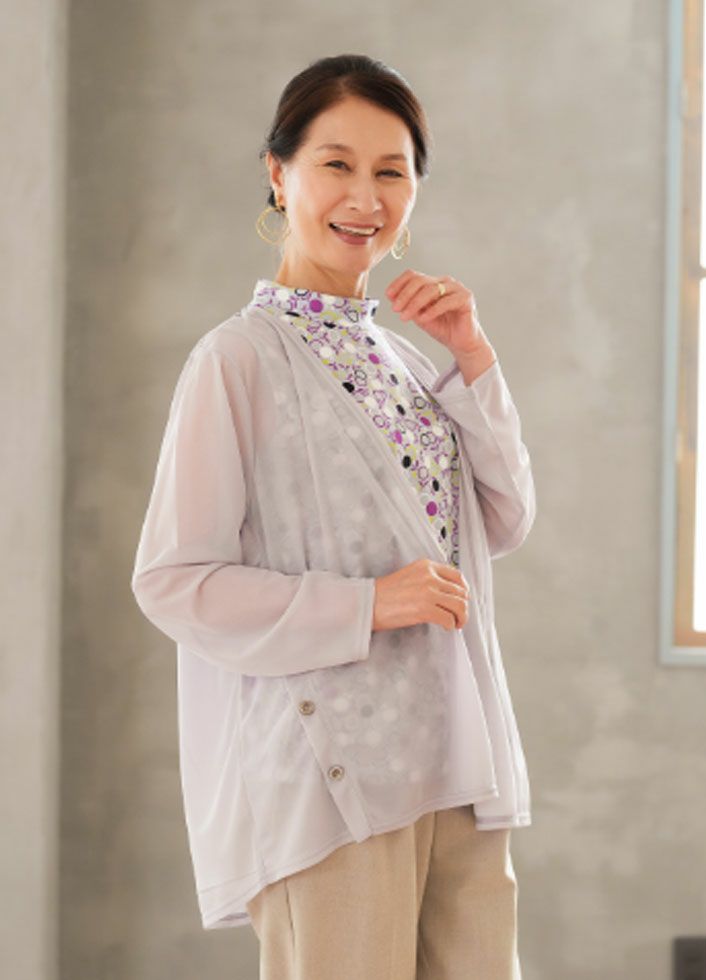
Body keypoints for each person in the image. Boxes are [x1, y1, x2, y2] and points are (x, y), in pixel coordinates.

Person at [131, 52, 535, 980]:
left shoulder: (408, 359)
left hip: (459, 764)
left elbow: (504, 520)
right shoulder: (236, 360)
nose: (365, 196)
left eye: (392, 171)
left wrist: (471, 357)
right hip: (334, 785)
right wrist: (368, 604)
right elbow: (174, 581)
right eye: (336, 164)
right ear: (279, 175)